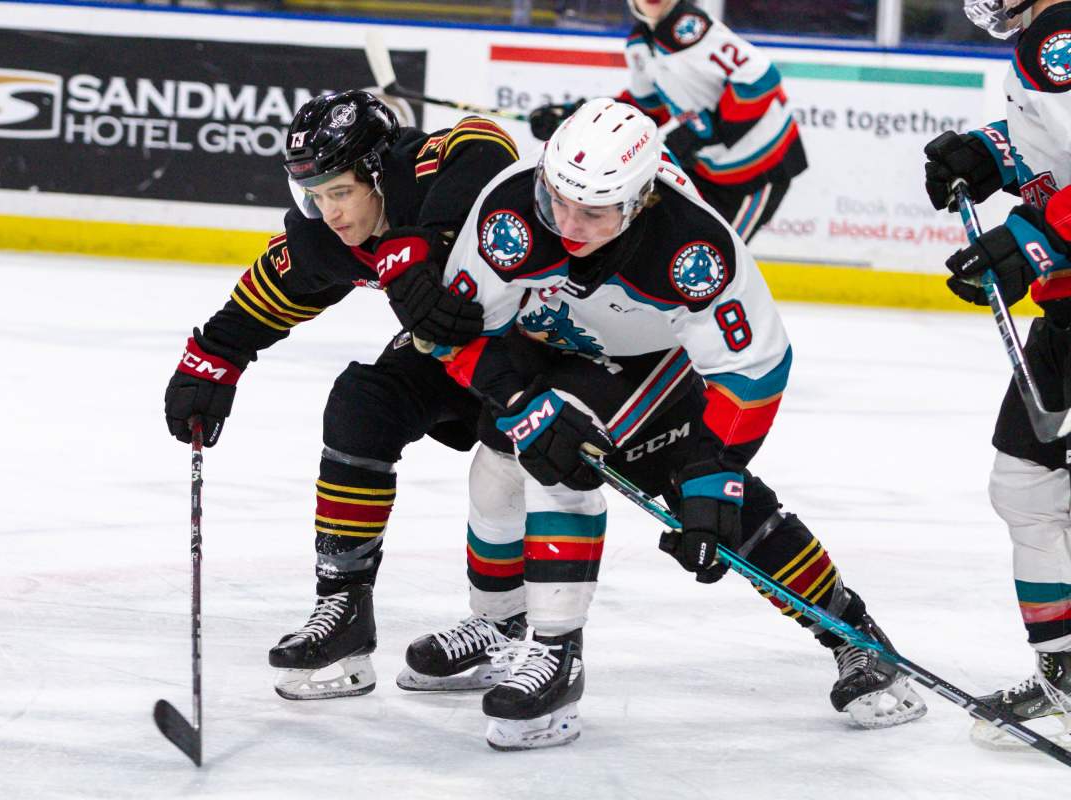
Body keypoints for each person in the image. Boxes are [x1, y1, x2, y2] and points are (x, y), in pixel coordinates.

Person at [393, 98, 925, 750]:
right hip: (555, 341)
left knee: (704, 501)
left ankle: (847, 631)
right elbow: (460, 331)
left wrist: (713, 475)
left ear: (640, 200)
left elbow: (753, 366)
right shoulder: (509, 210)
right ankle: (503, 628)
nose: (565, 222)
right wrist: (512, 397)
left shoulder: (693, 246)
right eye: (557, 198)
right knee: (500, 461)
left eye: (593, 212)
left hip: (656, 358)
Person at [163, 90, 519, 700]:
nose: (329, 212)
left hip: (540, 347)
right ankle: (345, 613)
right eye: (316, 195)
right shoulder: (330, 235)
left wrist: (420, 247)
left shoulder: (424, 171)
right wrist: (215, 358)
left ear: (379, 174)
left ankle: (507, 624)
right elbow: (277, 287)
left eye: (342, 191)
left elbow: (487, 140)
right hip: (451, 350)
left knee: (502, 459)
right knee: (362, 404)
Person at [924, 0, 1071, 748]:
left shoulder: (1061, 34)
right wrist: (990, 154)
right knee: (1025, 482)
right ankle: (1065, 674)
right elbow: (1055, 152)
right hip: (1068, 318)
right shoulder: (1047, 38)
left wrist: (1034, 243)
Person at [526, 0, 806, 242]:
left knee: (713, 256)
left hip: (757, 171)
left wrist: (710, 131)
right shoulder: (640, 43)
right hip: (707, 168)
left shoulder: (692, 30)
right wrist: (580, 120)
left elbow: (760, 78)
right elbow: (647, 106)